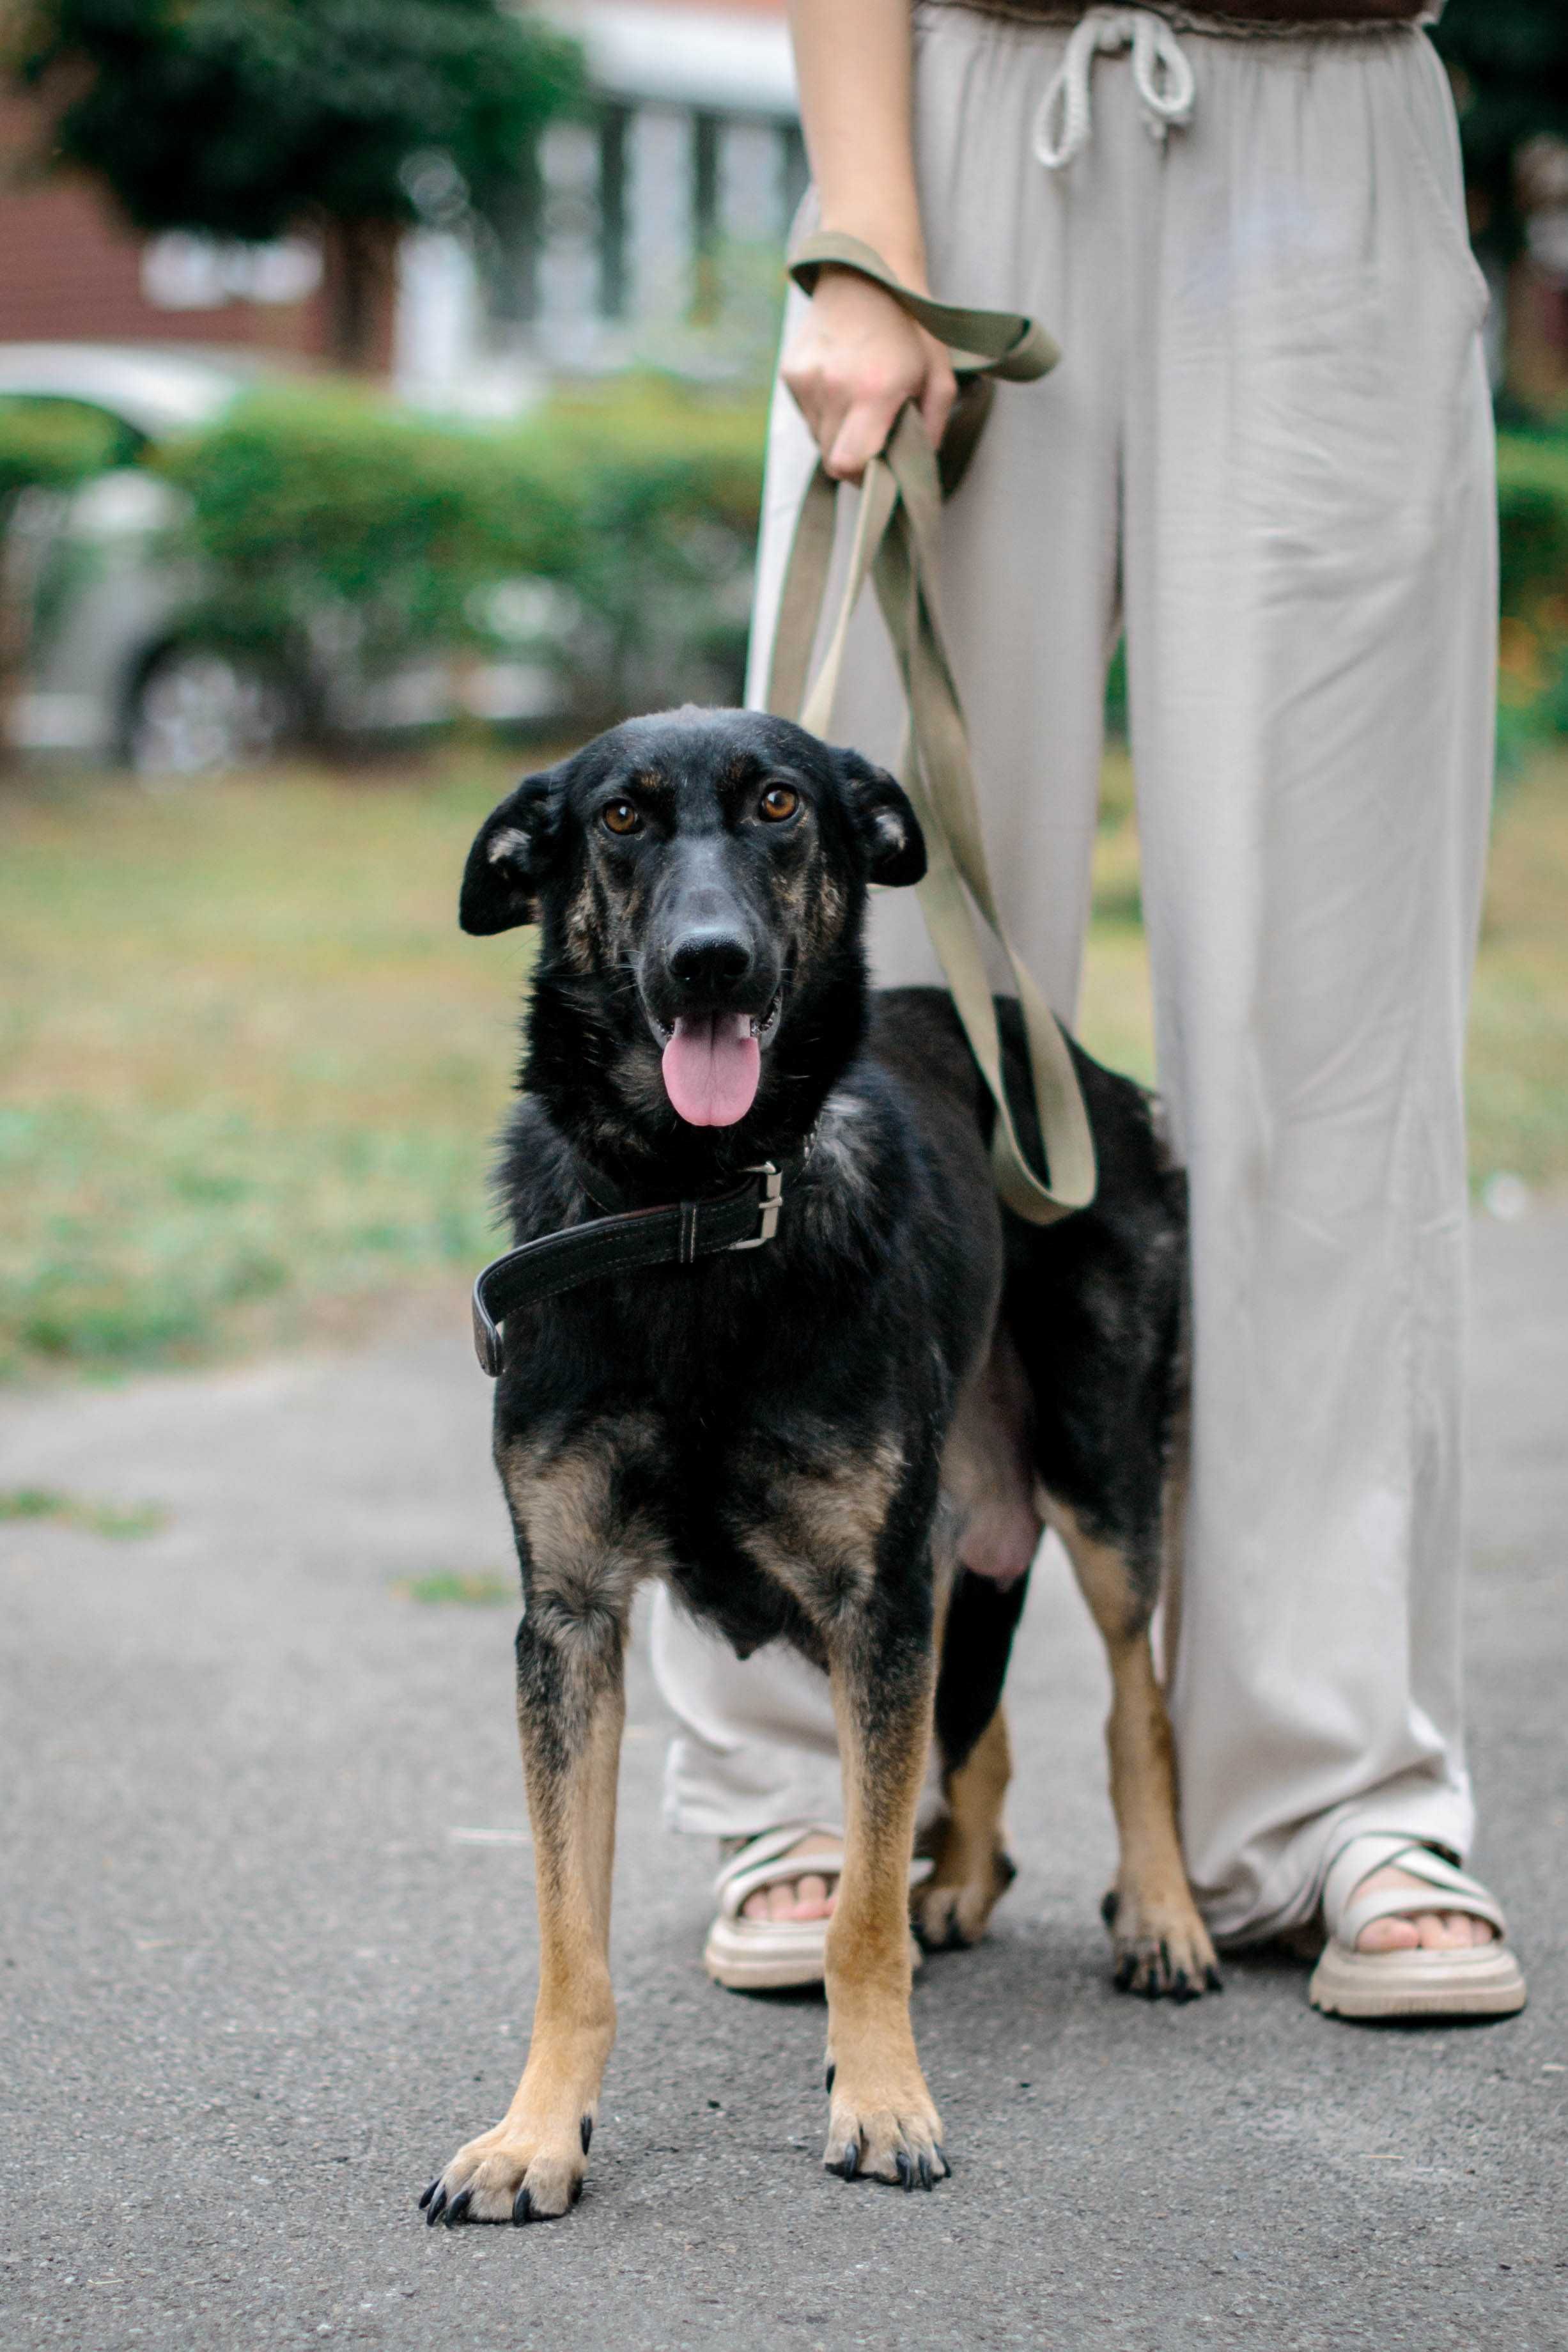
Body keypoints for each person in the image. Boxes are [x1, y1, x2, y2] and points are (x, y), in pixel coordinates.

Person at [650, 0, 1527, 2020]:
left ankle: (1339, 1789)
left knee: (1338, 1034)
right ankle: (803, 1775)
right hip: (958, 119)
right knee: (825, 1021)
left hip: (1336, 130)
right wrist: (869, 234)